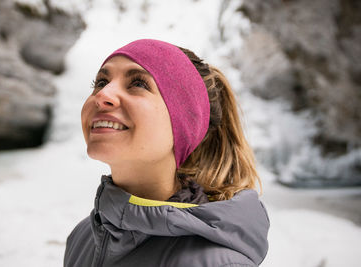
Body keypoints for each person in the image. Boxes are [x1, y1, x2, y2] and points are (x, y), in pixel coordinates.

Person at [64, 39, 269, 267]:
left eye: (139, 84)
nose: (103, 94)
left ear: (183, 123)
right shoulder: (82, 238)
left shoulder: (216, 263)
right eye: (101, 81)